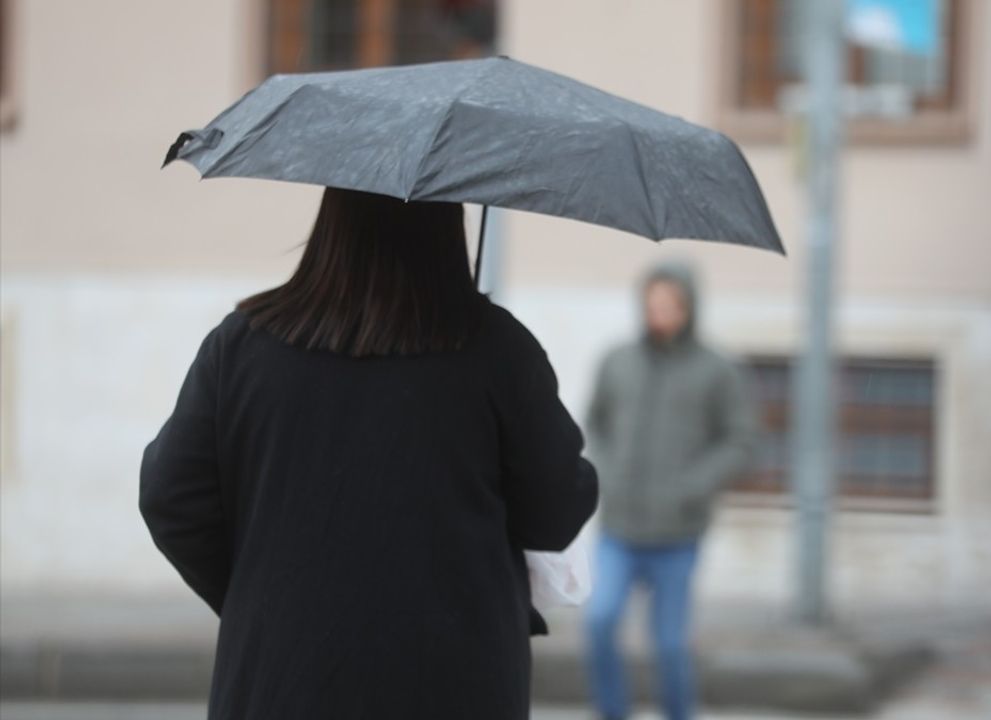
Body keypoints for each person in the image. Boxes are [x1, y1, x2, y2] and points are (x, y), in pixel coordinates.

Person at [139, 188, 597, 720]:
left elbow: (170, 498)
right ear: (447, 227)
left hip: (280, 680)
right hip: (455, 680)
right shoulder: (498, 351)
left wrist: (260, 597)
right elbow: (557, 509)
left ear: (334, 223)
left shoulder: (241, 347)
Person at [584, 262, 755, 720]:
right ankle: (611, 713)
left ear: (689, 307)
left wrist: (694, 485)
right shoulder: (617, 360)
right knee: (599, 621)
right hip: (619, 527)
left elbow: (740, 441)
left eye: (670, 304)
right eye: (652, 303)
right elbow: (594, 423)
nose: (659, 313)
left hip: (678, 533)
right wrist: (607, 470)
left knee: (671, 644)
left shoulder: (717, 370)